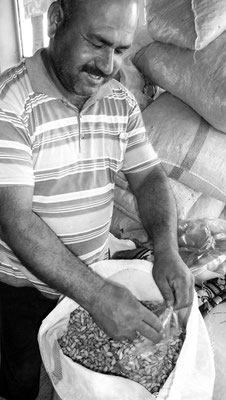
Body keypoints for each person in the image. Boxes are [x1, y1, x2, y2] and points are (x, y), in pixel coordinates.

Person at [0, 0, 194, 398]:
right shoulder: (10, 103)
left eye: (121, 49)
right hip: (22, 290)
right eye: (98, 43)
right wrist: (98, 296)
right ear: (56, 21)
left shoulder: (120, 101)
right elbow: (15, 219)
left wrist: (167, 250)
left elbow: (149, 177)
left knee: (74, 375)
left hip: (91, 276)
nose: (108, 65)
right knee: (21, 379)